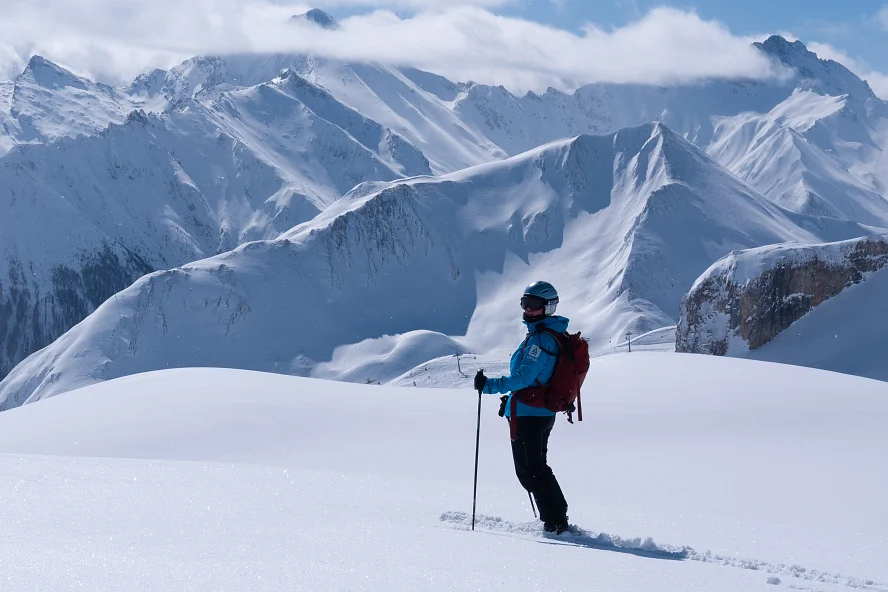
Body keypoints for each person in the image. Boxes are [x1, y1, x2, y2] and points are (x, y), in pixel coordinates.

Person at [474, 280, 570, 534]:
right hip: (535, 410)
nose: (528, 309)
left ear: (548, 307)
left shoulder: (540, 340)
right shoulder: (544, 334)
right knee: (536, 467)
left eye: (534, 304)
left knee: (531, 470)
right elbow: (532, 380)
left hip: (531, 415)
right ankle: (556, 518)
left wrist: (489, 386)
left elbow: (523, 378)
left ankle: (556, 522)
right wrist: (511, 402)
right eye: (525, 303)